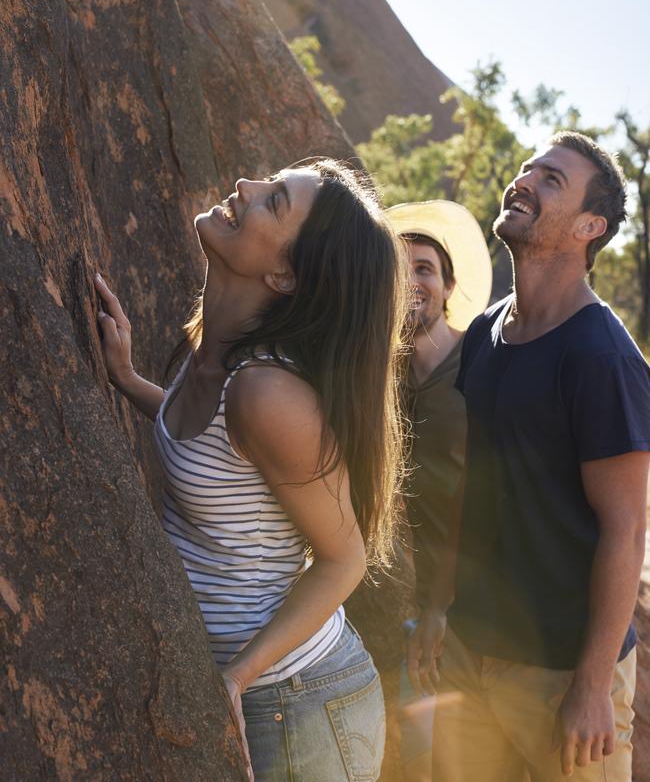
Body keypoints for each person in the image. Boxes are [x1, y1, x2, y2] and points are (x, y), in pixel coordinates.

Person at [93, 158, 409, 782]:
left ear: (285, 272)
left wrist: (237, 676)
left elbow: (346, 559)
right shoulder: (215, 345)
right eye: (271, 183)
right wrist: (129, 381)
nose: (247, 186)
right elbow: (218, 458)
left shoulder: (266, 392)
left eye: (274, 202)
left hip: (295, 703)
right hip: (255, 694)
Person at [425, 131, 650, 782]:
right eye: (527, 169)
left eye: (551, 179)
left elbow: (626, 529)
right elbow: (476, 486)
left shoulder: (600, 356)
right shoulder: (486, 336)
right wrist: (441, 606)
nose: (523, 180)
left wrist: (592, 684)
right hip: (472, 652)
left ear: (590, 226)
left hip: (563, 673)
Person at [385, 201, 492, 782]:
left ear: (449, 285)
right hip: (413, 603)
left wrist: (441, 607)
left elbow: (482, 497)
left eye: (423, 267)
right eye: (397, 268)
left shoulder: (482, 363)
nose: (411, 280)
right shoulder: (382, 376)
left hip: (477, 608)